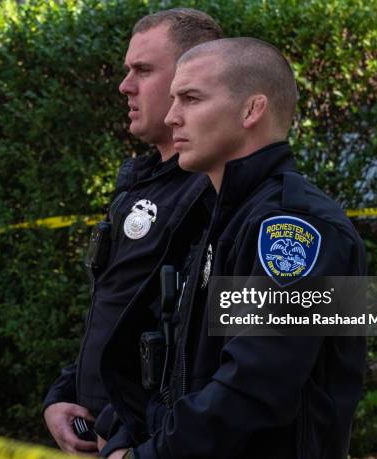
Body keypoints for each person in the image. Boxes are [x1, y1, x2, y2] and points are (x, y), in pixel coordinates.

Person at [103, 38, 367, 458]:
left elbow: (252, 391)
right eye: (173, 99)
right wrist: (122, 433)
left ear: (251, 110)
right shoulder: (216, 217)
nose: (172, 117)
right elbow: (174, 367)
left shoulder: (292, 228)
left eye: (190, 98)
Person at [42, 9, 223, 455]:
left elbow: (207, 354)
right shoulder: (144, 182)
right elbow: (120, 313)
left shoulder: (215, 192)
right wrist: (65, 393)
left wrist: (126, 433)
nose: (125, 85)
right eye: (128, 69)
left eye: (142, 70)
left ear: (191, 80)